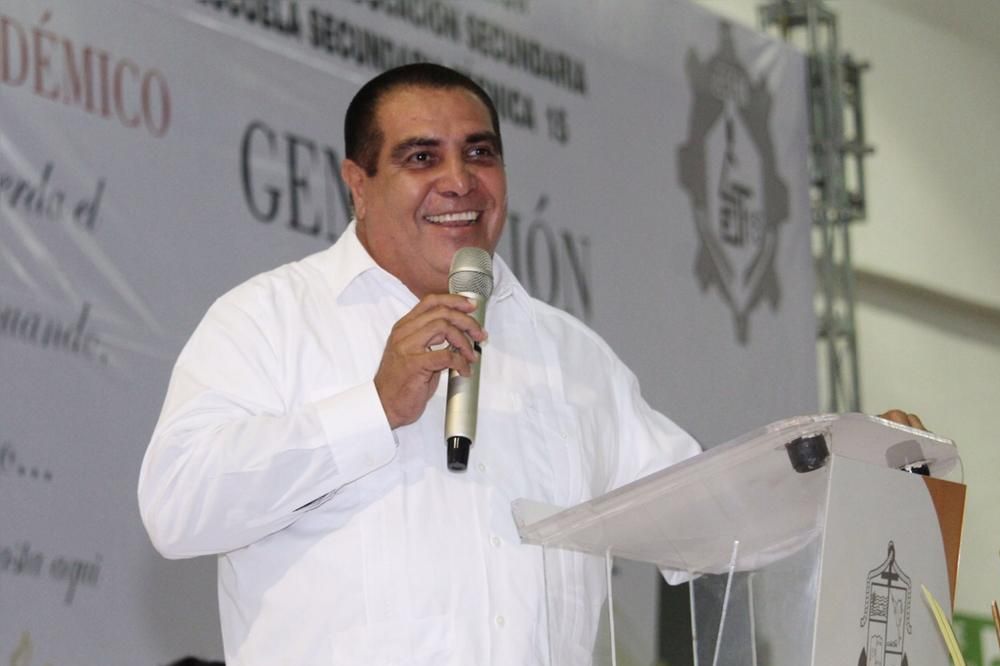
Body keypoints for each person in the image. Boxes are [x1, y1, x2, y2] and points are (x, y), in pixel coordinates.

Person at [137, 63, 924, 665]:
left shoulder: (569, 356)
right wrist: (373, 405)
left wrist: (846, 471)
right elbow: (176, 507)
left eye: (479, 153)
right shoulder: (269, 320)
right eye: (421, 157)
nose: (458, 181)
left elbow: (709, 516)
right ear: (357, 184)